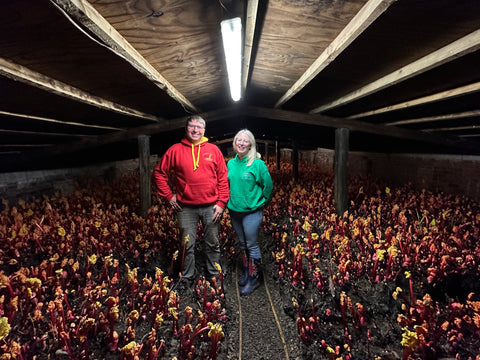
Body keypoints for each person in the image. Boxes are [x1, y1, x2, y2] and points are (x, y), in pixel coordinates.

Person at [152, 115, 229, 287]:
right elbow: (158, 173)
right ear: (186, 129)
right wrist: (169, 196)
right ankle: (187, 277)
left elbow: (223, 178)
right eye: (192, 126)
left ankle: (214, 275)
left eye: (199, 127)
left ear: (204, 130)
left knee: (213, 243)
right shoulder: (175, 150)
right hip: (185, 208)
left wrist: (222, 203)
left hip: (211, 206)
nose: (195, 130)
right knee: (187, 245)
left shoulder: (213, 150)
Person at [227, 129, 273, 295]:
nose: (241, 143)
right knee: (242, 244)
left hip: (251, 212)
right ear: (235, 143)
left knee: (252, 245)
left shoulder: (257, 164)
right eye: (238, 140)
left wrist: (261, 203)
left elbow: (268, 186)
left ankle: (254, 279)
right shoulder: (231, 164)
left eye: (245, 141)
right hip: (234, 211)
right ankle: (247, 273)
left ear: (251, 144)